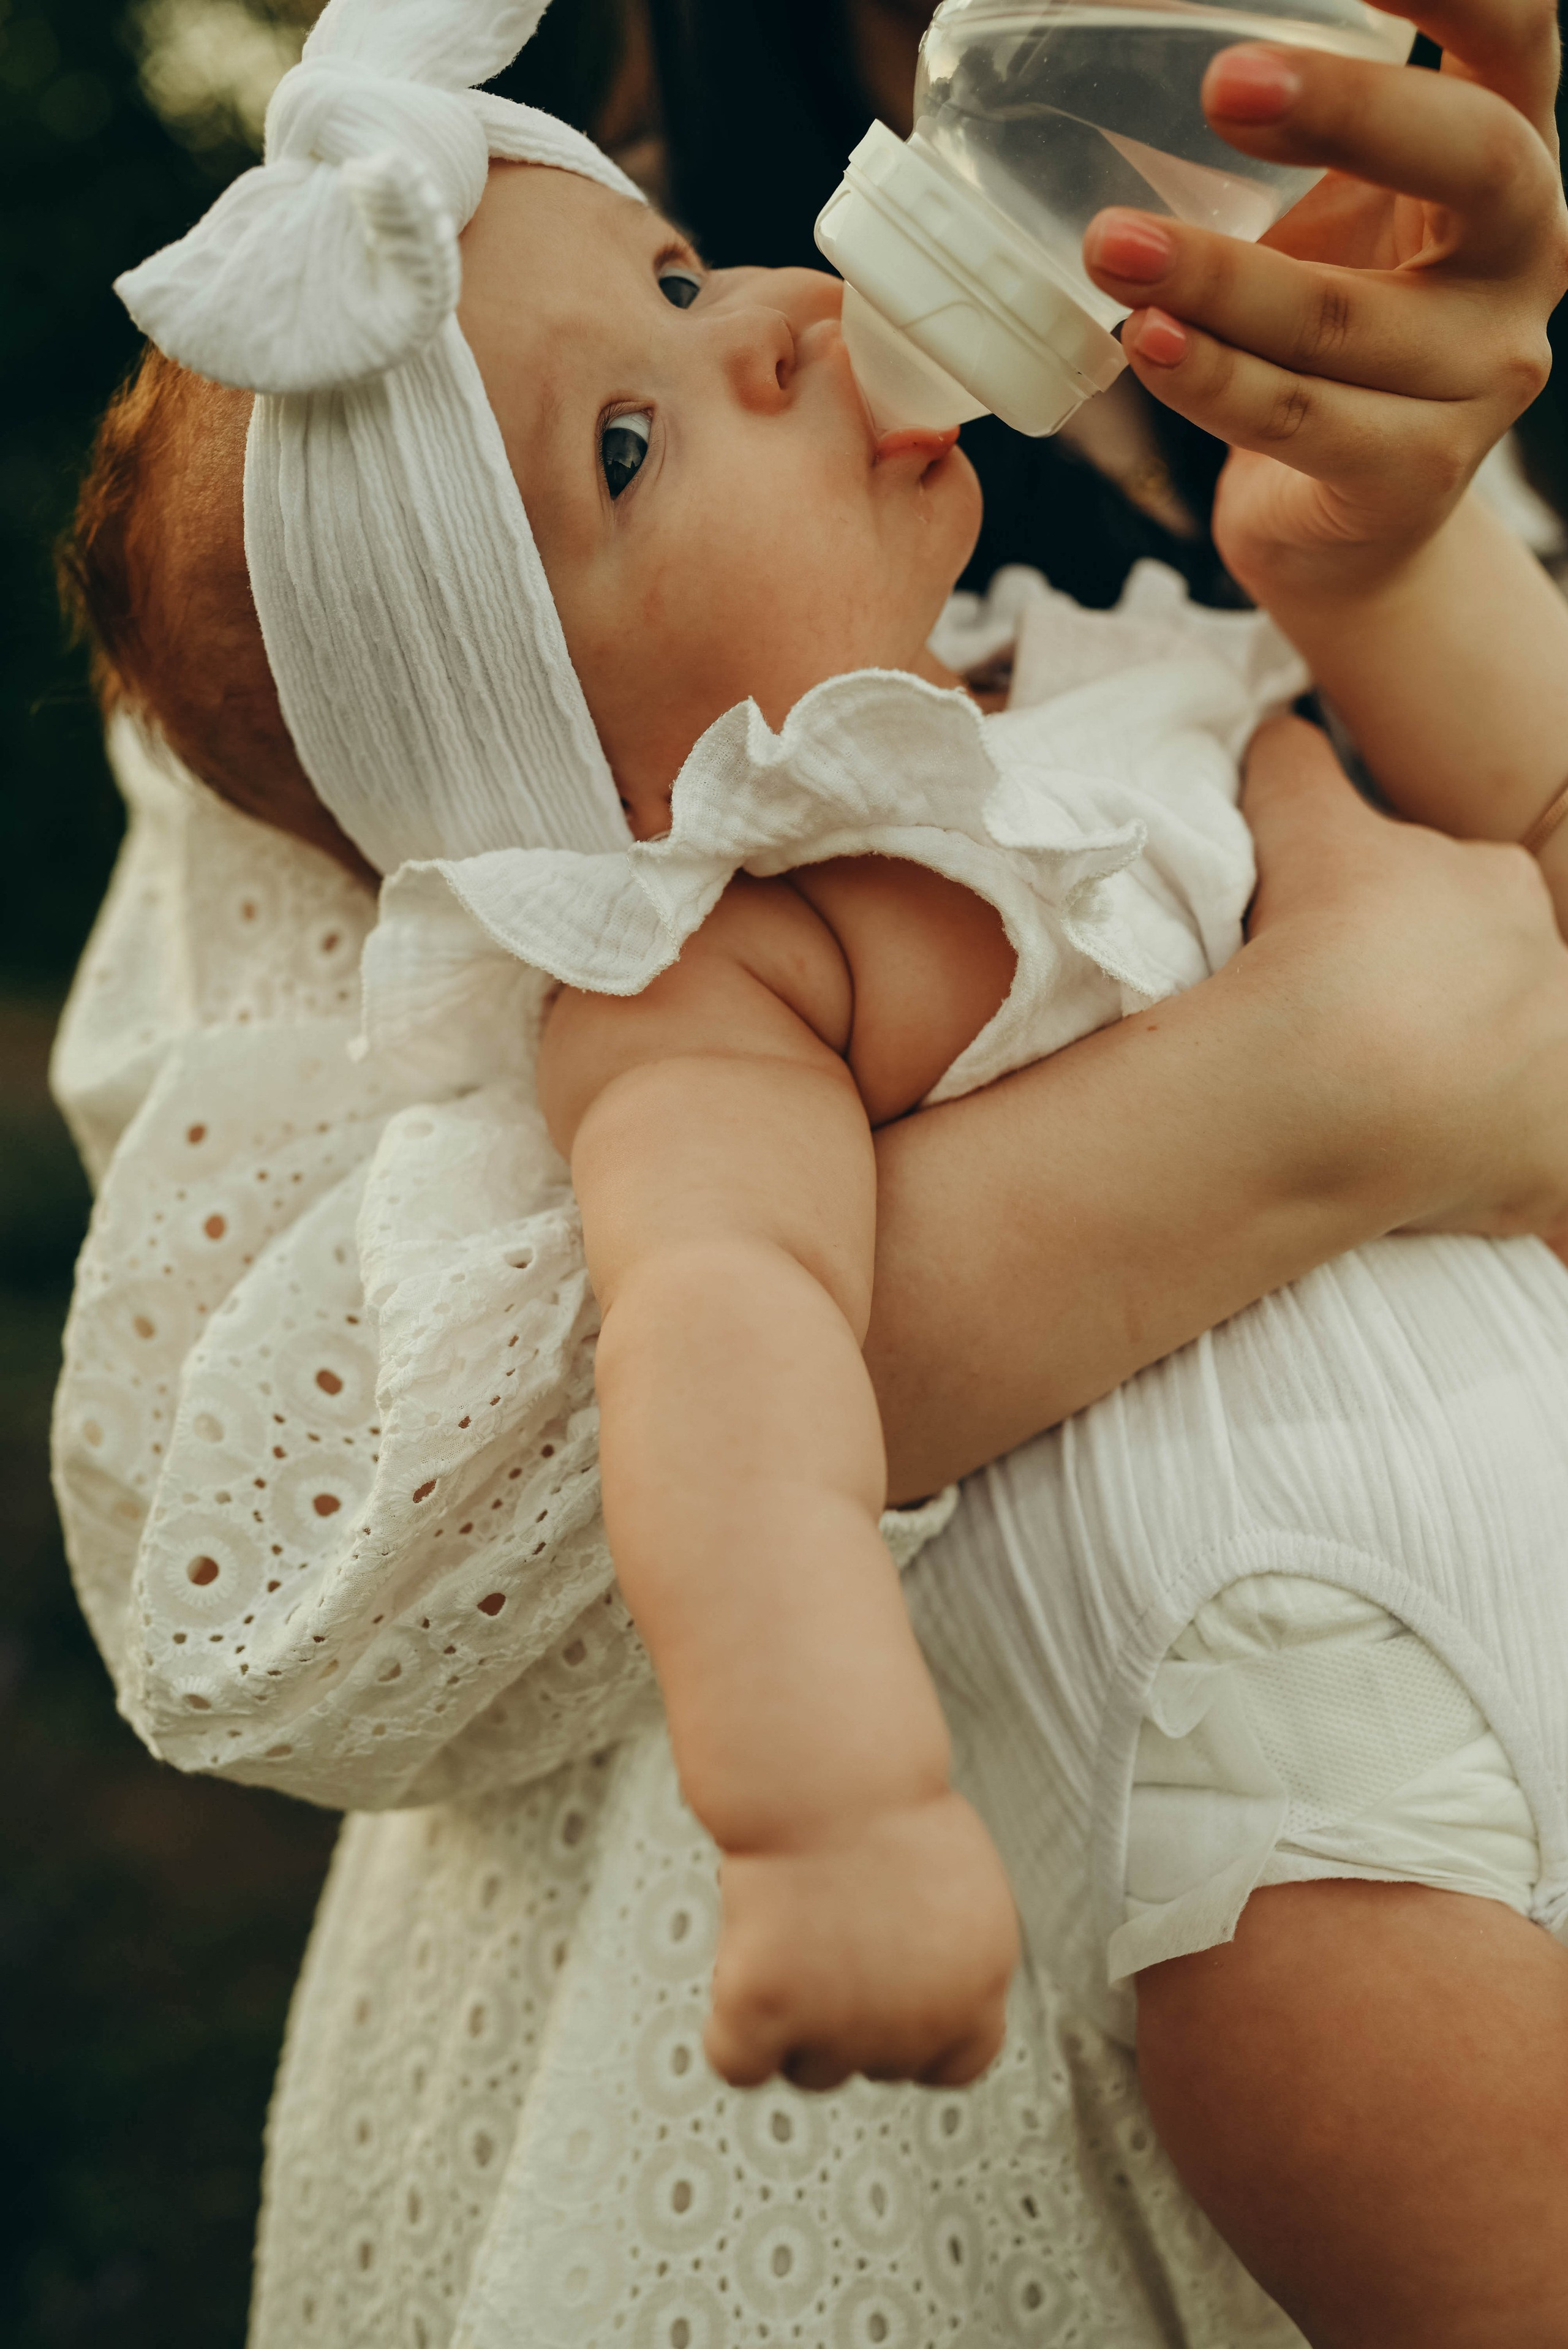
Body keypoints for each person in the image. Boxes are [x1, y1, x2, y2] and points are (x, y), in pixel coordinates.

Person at [53, 0, 1568, 2340]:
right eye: (632, 446)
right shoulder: (717, 950)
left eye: (675, 284)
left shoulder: (1092, 662)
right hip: (1266, 1719)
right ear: (564, 790)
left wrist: (1390, 572)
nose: (767, 323)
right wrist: (830, 1812)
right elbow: (724, 1338)